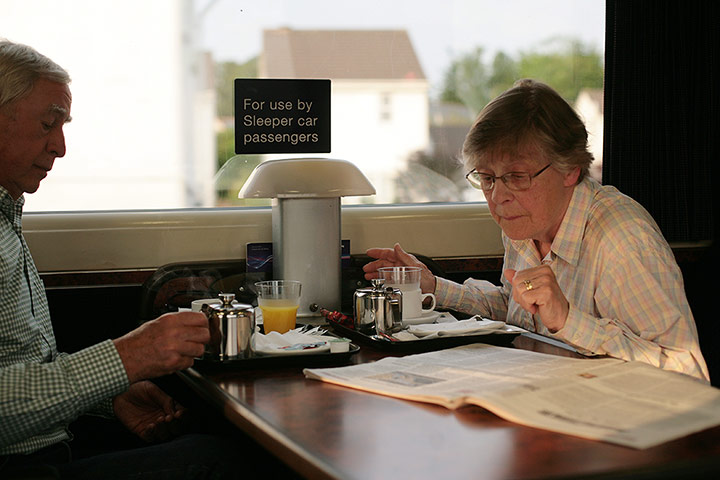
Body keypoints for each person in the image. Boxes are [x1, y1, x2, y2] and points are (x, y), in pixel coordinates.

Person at [0, 39, 252, 479]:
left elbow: (23, 368)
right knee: (230, 462)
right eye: (47, 124)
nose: (60, 147)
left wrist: (111, 398)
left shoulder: (7, 219)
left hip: (50, 442)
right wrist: (125, 358)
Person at [364, 79, 709, 383]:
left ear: (570, 170)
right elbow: (517, 308)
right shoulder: (527, 222)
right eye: (487, 178)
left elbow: (687, 373)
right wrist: (433, 286)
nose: (499, 197)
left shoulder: (621, 239)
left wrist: (568, 320)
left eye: (517, 176)